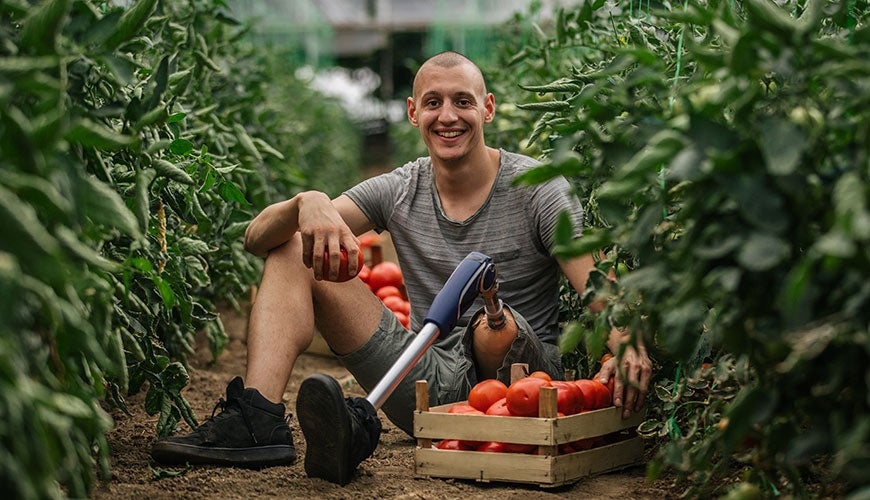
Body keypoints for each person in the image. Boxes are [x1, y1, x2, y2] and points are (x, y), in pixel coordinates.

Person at [150, 51, 652, 484]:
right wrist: (308, 202)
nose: (447, 116)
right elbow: (256, 238)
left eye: (463, 101)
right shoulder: (399, 188)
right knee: (289, 245)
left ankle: (373, 426)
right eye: (433, 103)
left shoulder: (539, 190)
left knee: (490, 321)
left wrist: (626, 345)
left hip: (517, 394)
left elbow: (596, 285)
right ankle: (257, 420)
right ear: (413, 113)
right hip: (422, 380)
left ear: (489, 108)